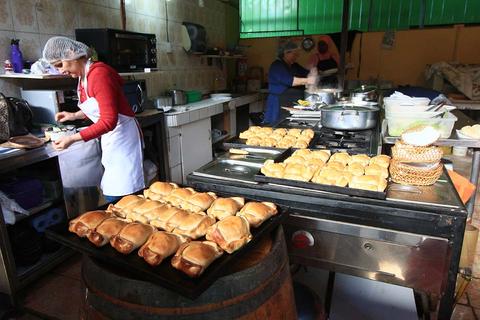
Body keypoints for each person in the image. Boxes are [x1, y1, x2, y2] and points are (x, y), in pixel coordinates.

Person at [42, 36, 145, 203]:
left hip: (123, 136)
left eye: (60, 65)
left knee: (123, 194)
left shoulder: (99, 75)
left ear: (71, 53)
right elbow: (100, 105)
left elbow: (108, 121)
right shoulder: (84, 77)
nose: (60, 71)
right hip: (112, 137)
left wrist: (72, 139)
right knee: (115, 192)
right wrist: (74, 115)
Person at [264, 40, 316, 124]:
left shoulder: (294, 65)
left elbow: (307, 73)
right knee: (276, 126)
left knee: (289, 126)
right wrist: (308, 80)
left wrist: (314, 71)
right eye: (295, 54)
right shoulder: (277, 66)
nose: (297, 56)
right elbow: (290, 81)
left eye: (297, 54)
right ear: (286, 53)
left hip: (290, 103)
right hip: (277, 104)